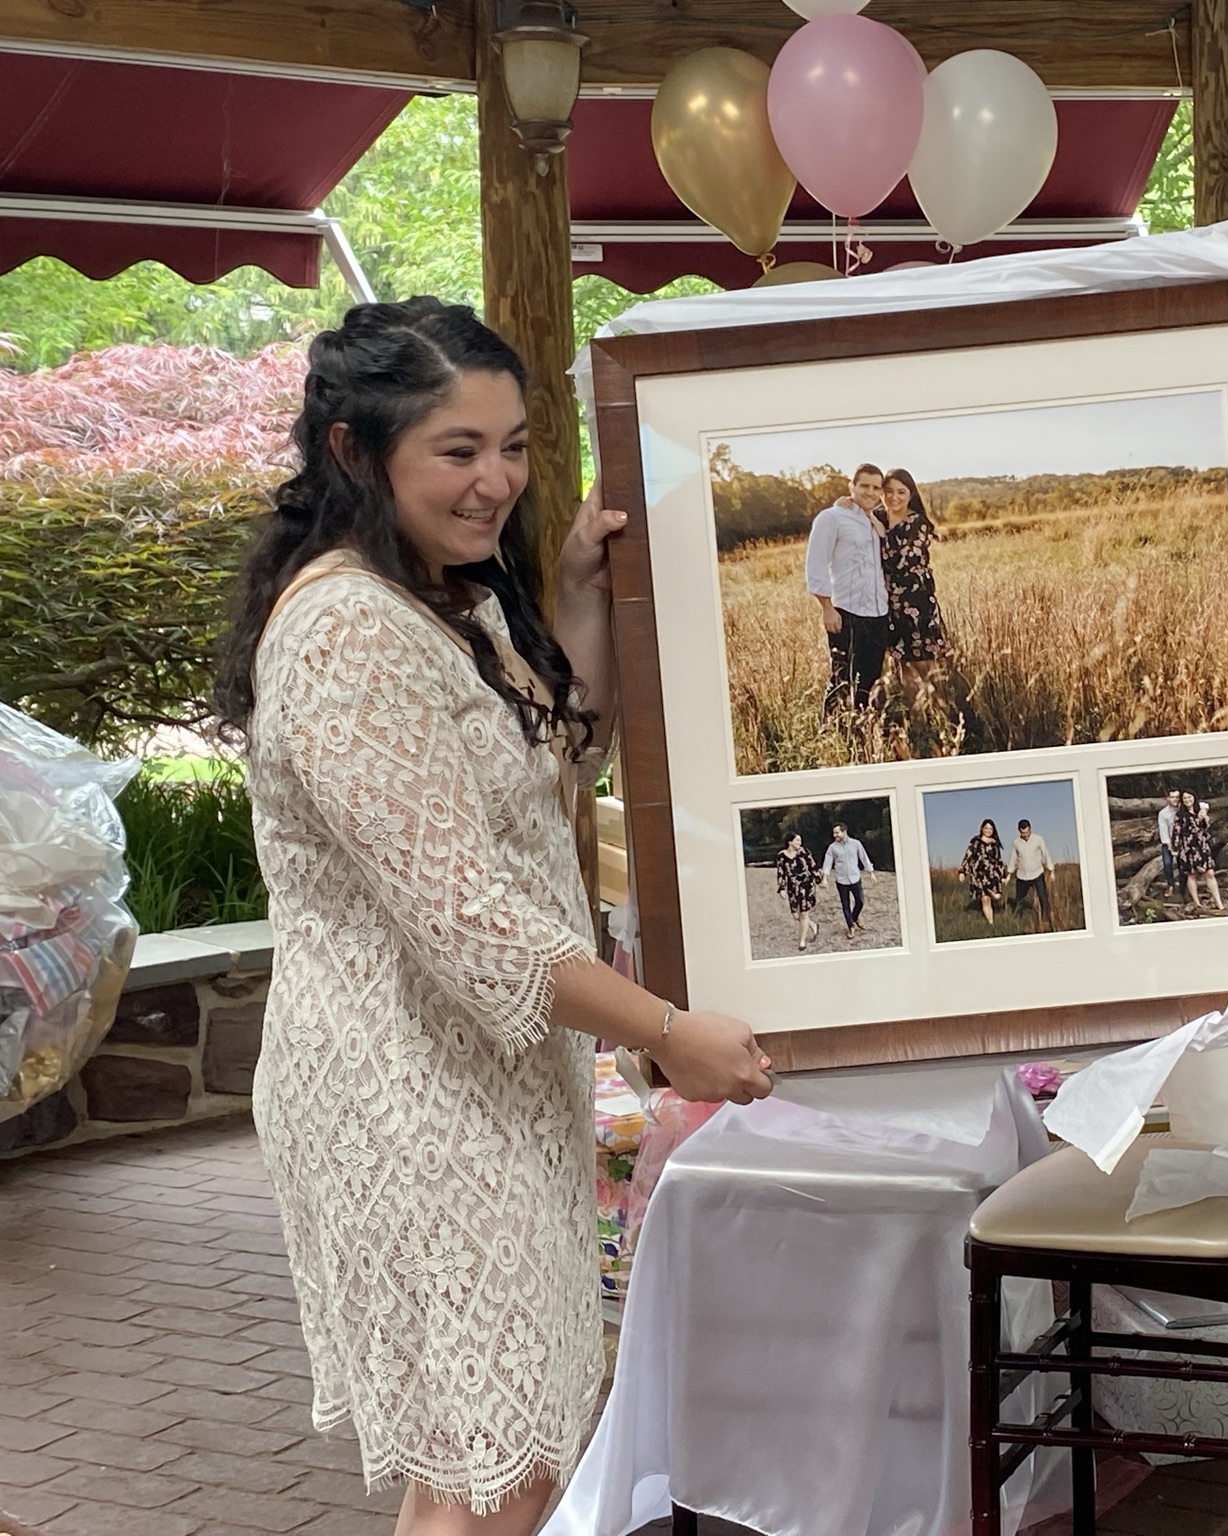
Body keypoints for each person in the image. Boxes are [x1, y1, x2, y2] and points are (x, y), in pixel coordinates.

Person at [213, 298, 776, 1536]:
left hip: (486, 1078)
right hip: (402, 1092)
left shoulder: (442, 596)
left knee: (498, 1454)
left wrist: (574, 592)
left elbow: (552, 759)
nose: (497, 481)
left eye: (513, 445)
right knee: (497, 1465)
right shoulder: (348, 631)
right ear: (355, 450)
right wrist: (666, 1030)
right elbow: (468, 917)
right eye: (457, 451)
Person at [804, 463, 890, 714]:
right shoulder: (832, 518)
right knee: (842, 680)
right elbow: (816, 563)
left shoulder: (875, 520)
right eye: (864, 486)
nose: (870, 492)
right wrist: (826, 607)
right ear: (851, 486)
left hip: (878, 613)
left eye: (876, 488)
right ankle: (831, 730)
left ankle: (863, 728)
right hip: (847, 612)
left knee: (870, 680)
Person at [878, 468, 949, 705]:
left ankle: (941, 715)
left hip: (918, 603)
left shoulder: (917, 523)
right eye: (888, 491)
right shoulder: (878, 516)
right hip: (892, 606)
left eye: (901, 492)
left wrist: (880, 532)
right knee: (905, 664)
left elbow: (900, 563)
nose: (894, 497)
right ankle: (917, 718)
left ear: (911, 494)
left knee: (926, 664)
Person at [820, 821, 875, 938]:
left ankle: (854, 918)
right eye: (834, 833)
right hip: (841, 880)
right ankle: (851, 927)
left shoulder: (856, 844)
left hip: (855, 878)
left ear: (844, 832)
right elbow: (827, 863)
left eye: (837, 833)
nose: (835, 835)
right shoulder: (832, 848)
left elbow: (864, 857)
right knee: (846, 905)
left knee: (860, 902)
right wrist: (825, 878)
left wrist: (871, 873)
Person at [1005, 818, 1058, 933]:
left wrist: (1052, 871)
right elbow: (1013, 858)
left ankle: (1046, 919)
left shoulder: (1038, 839)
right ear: (1019, 831)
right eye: (1023, 833)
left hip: (1037, 873)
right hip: (1022, 876)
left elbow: (1046, 854)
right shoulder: (1016, 843)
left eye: (1027, 832)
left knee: (1043, 898)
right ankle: (1018, 919)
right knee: (1019, 899)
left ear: (1030, 829)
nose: (1025, 835)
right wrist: (1009, 874)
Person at [1175, 795, 1223, 913]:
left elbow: (1206, 827)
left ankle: (1219, 903)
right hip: (1188, 848)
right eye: (1185, 798)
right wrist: (1175, 848)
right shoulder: (1180, 815)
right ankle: (1197, 903)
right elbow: (1176, 832)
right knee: (1192, 874)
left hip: (1202, 846)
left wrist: (1205, 817)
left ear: (1194, 798)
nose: (1187, 800)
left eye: (1189, 797)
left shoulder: (1200, 811)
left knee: (1210, 873)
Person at [775, 832, 821, 953]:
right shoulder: (781, 856)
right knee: (796, 916)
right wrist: (781, 888)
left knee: (804, 914)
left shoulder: (804, 852)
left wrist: (819, 880)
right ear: (790, 842)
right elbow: (781, 872)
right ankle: (813, 925)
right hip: (792, 888)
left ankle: (802, 941)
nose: (799, 843)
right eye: (797, 840)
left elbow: (813, 867)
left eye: (800, 840)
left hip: (806, 886)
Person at [960, 818, 1007, 925]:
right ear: (982, 829)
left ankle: (992, 897)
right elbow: (968, 856)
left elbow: (999, 861)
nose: (988, 831)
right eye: (986, 828)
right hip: (978, 875)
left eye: (990, 829)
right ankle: (991, 922)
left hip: (992, 875)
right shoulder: (975, 841)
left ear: (993, 830)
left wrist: (1003, 876)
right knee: (985, 899)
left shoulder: (995, 843)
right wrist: (963, 871)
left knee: (997, 896)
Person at [1156, 789, 1179, 889]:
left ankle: (1185, 887)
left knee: (1183, 865)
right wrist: (1171, 847)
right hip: (1169, 841)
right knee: (1167, 863)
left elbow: (1202, 805)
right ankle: (1170, 885)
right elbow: (1163, 831)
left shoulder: (1182, 809)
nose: (1175, 799)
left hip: (1182, 841)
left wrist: (1204, 810)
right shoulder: (1163, 813)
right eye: (1172, 797)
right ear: (1168, 798)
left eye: (1177, 797)